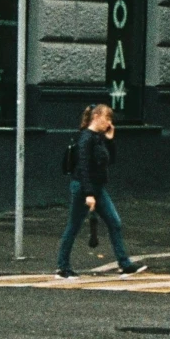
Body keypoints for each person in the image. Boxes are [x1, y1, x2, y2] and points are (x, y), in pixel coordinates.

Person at [57, 101, 143, 277]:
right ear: (96, 117)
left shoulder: (98, 138)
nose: (109, 123)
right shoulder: (86, 138)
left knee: (114, 222)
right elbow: (83, 168)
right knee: (73, 226)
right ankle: (62, 267)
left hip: (97, 188)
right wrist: (89, 194)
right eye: (107, 118)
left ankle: (124, 264)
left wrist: (110, 140)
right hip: (83, 187)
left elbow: (110, 161)